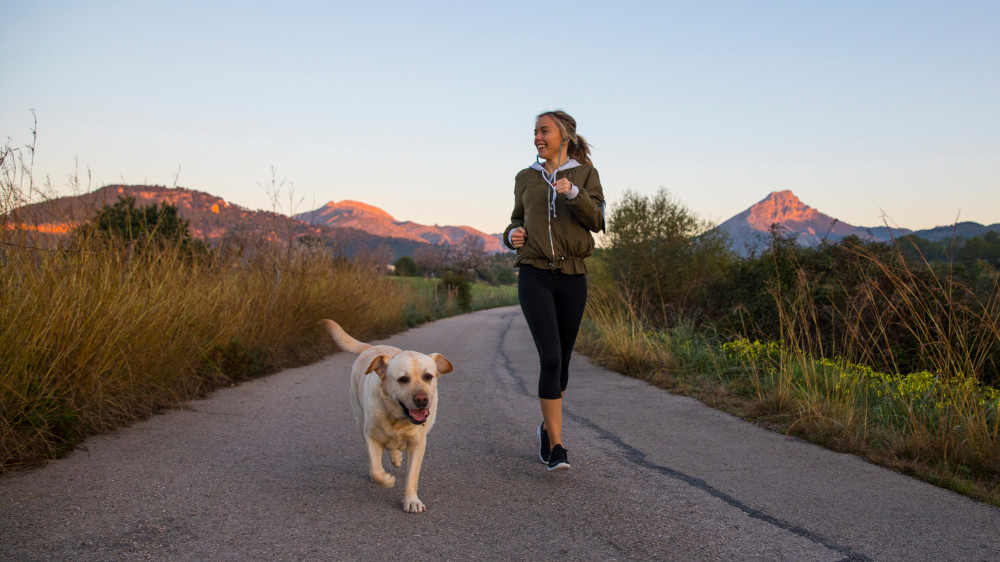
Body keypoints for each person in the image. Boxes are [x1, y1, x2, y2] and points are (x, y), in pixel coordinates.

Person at [502, 110, 605, 472]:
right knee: (550, 358)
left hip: (573, 276)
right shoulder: (525, 178)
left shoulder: (586, 175)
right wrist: (511, 236)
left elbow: (598, 220)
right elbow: (517, 219)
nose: (537, 138)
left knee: (562, 360)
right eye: (535, 132)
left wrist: (574, 193)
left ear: (565, 136)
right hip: (535, 274)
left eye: (544, 131)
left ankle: (547, 428)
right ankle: (558, 447)